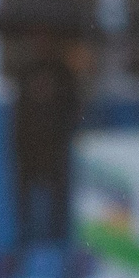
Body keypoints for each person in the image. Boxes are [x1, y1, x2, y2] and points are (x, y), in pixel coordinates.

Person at [9, 33, 82, 249]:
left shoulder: (63, 75)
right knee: (30, 217)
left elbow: (73, 112)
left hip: (57, 158)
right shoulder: (25, 73)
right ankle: (32, 262)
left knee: (59, 215)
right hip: (29, 159)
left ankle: (57, 261)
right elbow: (17, 119)